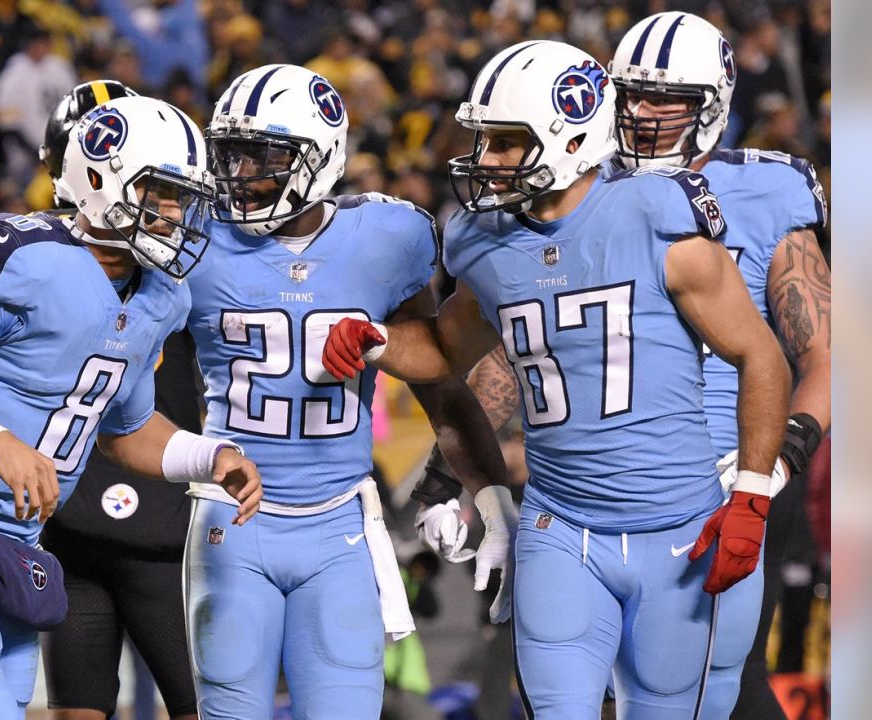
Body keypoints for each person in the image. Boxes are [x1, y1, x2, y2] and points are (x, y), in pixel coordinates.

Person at [321, 41, 791, 719]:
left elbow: (761, 356)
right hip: (561, 527)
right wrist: (376, 343)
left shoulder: (658, 217)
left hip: (679, 529)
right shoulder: (484, 242)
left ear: (571, 137)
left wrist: (750, 493)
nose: (486, 161)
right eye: (485, 141)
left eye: (507, 143)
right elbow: (444, 353)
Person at [0, 94, 262, 719]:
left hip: (16, 545)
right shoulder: (31, 259)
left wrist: (210, 456)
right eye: (163, 191)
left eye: (186, 196)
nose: (178, 212)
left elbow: (125, 430)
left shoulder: (159, 299)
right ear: (101, 180)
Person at [182, 63, 515, 719]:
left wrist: (489, 494)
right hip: (230, 520)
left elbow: (438, 380)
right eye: (233, 154)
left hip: (338, 524)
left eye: (263, 155)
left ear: (319, 156)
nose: (242, 172)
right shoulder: (195, 240)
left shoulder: (386, 238)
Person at [608, 12, 831, 718]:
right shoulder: (585, 191)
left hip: (735, 465)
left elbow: (827, 351)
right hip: (607, 469)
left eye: (666, 98)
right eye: (632, 94)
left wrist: (781, 458)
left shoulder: (766, 194)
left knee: (720, 685)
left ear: (712, 102)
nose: (643, 113)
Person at [38, 79, 203, 720]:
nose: (157, 204)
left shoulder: (178, 267)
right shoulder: (32, 260)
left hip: (162, 520)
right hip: (73, 519)